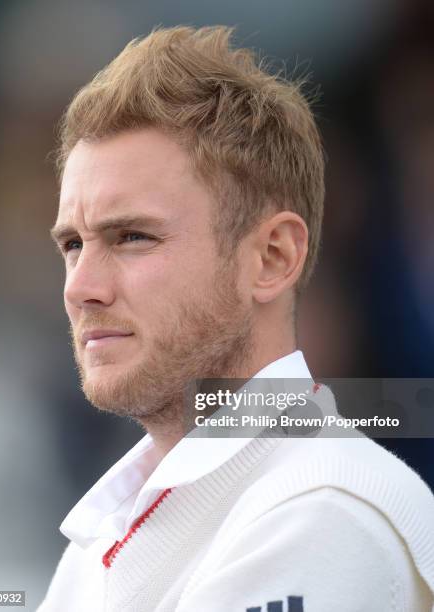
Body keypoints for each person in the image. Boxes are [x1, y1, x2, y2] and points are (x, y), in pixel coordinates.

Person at [37, 26, 434, 611]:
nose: (81, 288)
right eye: (72, 244)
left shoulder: (323, 512)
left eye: (132, 237)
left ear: (273, 258)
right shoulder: (101, 536)